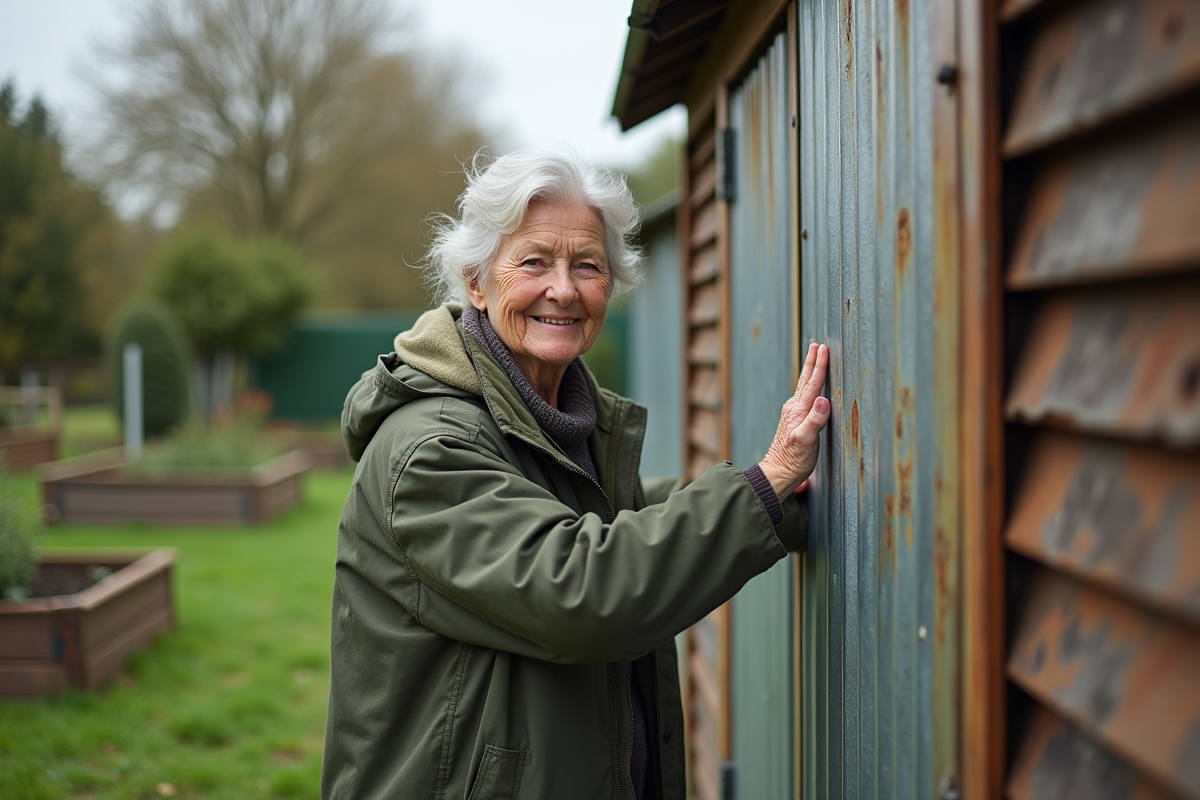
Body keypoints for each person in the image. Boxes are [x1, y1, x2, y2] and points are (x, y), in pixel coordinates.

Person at [321, 149, 830, 800]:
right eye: (534, 261)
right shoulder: (431, 449)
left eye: (587, 266)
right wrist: (768, 480)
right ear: (478, 282)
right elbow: (582, 587)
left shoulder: (554, 418)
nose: (563, 288)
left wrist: (782, 498)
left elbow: (614, 529)